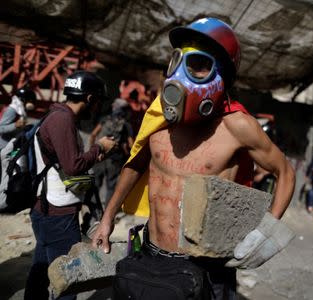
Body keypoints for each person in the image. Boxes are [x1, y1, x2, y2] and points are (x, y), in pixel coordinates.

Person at [92, 17, 295, 299]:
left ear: (222, 75)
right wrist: (107, 218)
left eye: (198, 65)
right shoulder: (159, 119)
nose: (179, 76)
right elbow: (136, 163)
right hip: (151, 254)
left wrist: (265, 232)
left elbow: (285, 171)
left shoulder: (237, 126)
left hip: (205, 267)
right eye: (177, 61)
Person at [24, 71, 117, 300]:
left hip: (46, 210)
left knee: (41, 271)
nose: (96, 108)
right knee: (69, 278)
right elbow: (73, 165)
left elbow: (64, 162)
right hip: (58, 214)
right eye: (96, 101)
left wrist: (92, 157)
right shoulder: (62, 119)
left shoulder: (56, 115)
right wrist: (100, 148)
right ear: (89, 98)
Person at [89, 98, 134, 206]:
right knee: (111, 186)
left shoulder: (104, 119)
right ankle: (106, 213)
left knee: (95, 184)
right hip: (115, 160)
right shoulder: (126, 124)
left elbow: (93, 134)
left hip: (100, 156)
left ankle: (92, 209)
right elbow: (132, 144)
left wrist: (92, 150)